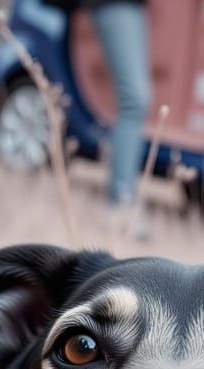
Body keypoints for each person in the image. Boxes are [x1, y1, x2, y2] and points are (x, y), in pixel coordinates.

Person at [44, 0, 151, 217]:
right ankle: (120, 203)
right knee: (133, 101)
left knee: (133, 101)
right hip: (115, 4)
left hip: (122, 7)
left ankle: (122, 199)